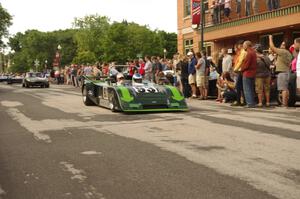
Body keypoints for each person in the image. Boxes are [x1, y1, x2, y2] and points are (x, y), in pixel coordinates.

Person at [269, 35, 293, 107]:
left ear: (285, 45)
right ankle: (285, 103)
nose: (281, 45)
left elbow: (272, 47)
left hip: (282, 72)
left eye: (283, 44)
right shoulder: (289, 53)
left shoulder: (283, 52)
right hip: (286, 71)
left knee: (283, 89)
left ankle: (284, 104)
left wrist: (270, 38)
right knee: (285, 88)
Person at [241, 41, 257, 108]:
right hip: (253, 73)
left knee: (247, 89)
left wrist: (241, 69)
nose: (243, 46)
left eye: (243, 45)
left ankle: (250, 103)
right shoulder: (254, 52)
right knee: (251, 88)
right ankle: (252, 102)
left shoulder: (249, 53)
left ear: (247, 45)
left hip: (247, 73)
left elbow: (246, 64)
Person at [232, 40, 247, 106]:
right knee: (240, 87)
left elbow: (240, 62)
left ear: (240, 45)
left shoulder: (242, 52)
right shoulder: (241, 52)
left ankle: (240, 101)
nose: (237, 47)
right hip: (240, 71)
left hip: (240, 71)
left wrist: (235, 69)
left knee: (239, 86)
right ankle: (241, 101)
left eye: (237, 45)